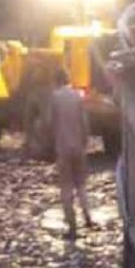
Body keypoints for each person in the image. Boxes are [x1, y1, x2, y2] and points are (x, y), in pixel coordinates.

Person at [47, 69, 93, 239]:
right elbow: (85, 123)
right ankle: (88, 217)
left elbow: (50, 122)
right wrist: (84, 142)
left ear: (55, 80)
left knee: (66, 187)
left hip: (63, 147)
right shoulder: (77, 96)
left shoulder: (55, 97)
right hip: (79, 147)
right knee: (81, 184)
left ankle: (72, 224)